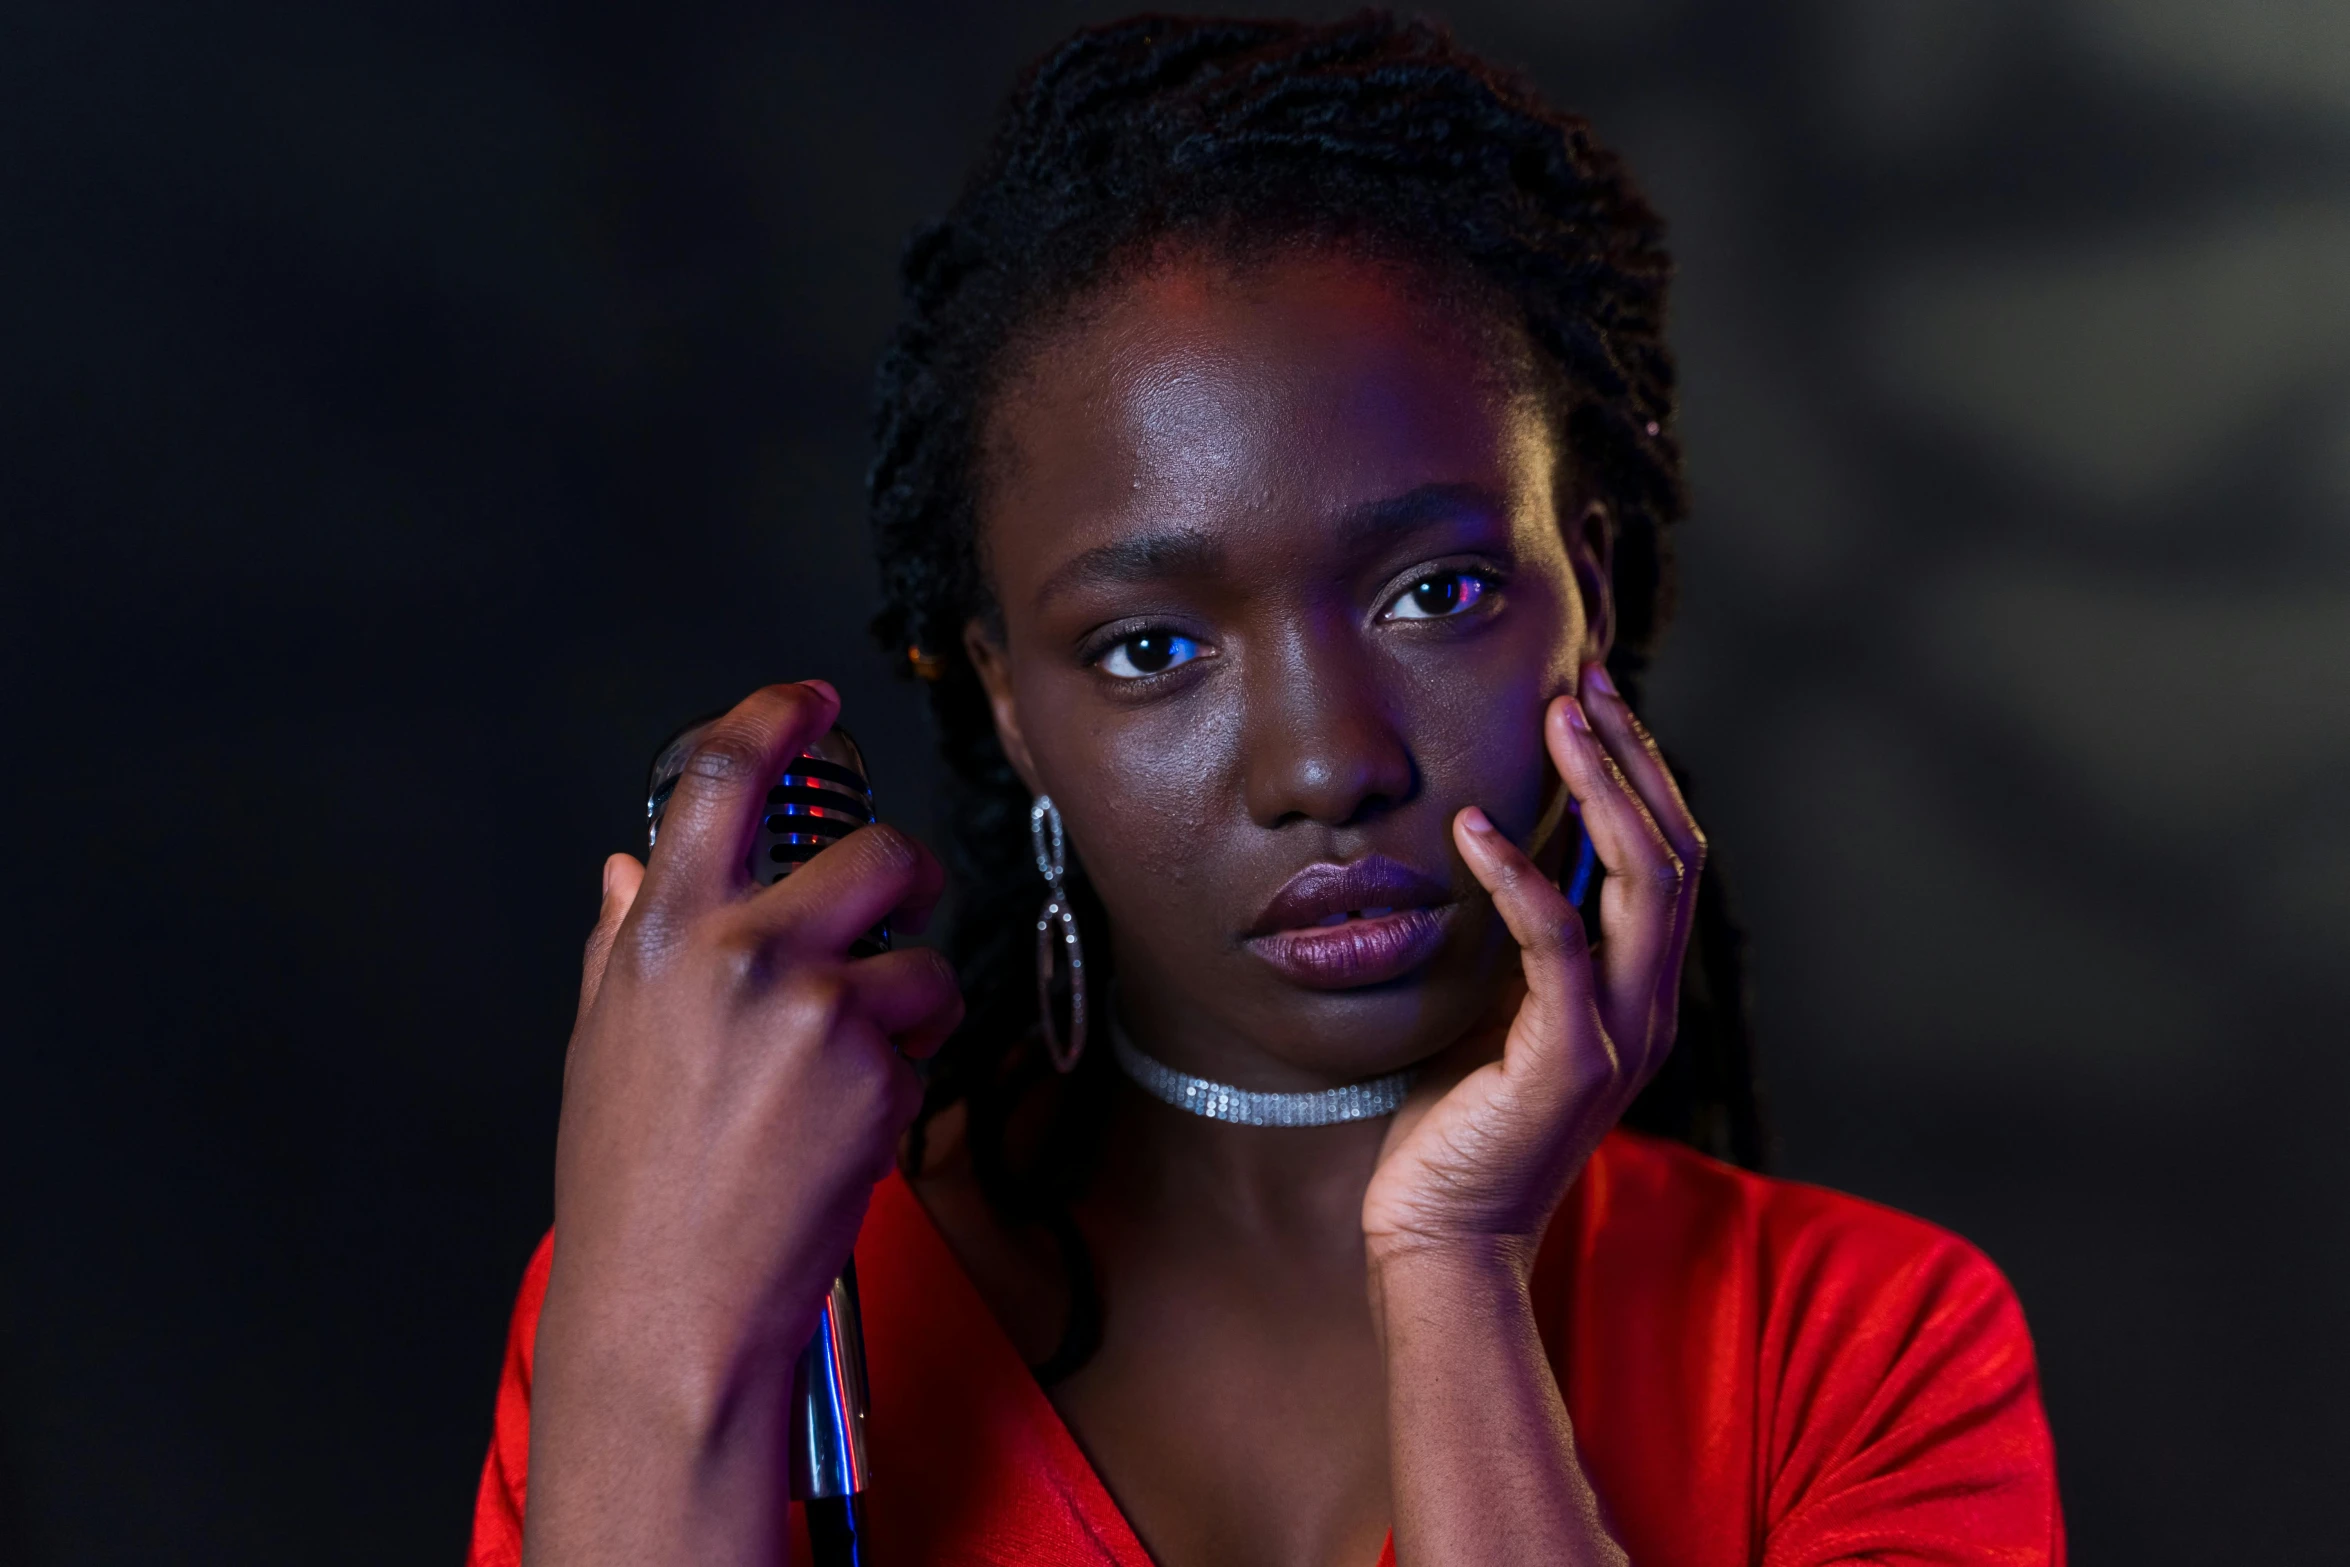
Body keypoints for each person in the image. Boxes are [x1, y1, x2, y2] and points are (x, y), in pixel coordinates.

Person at [468, 14, 2063, 1566]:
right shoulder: (701, 1293)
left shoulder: (1864, 1350)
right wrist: (658, 1340)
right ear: (1009, 704)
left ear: (1587, 582)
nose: (1325, 765)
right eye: (1151, 643)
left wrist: (1453, 1264)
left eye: (1431, 594)